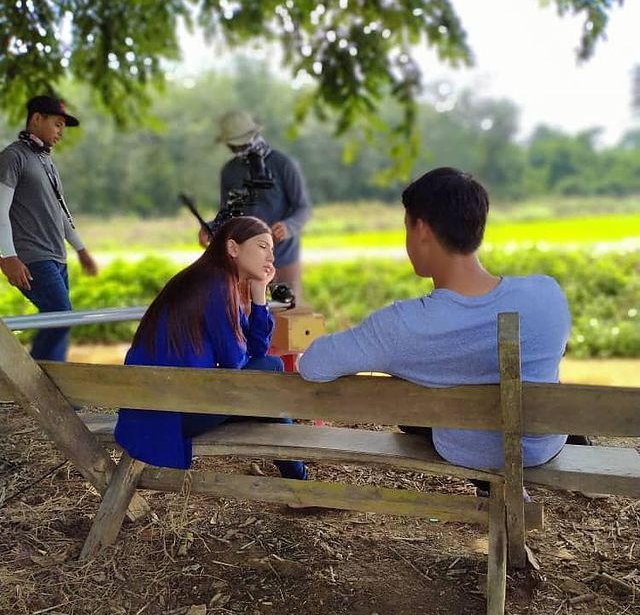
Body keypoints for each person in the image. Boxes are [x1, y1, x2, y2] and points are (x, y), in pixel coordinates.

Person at [298, 167, 572, 484]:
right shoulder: (548, 294)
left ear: (422, 230)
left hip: (472, 454)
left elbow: (314, 365)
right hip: (543, 447)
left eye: (406, 228)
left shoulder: (402, 326)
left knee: (417, 401)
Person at [115, 215, 308, 479]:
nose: (271, 258)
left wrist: (259, 292)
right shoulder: (216, 286)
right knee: (270, 370)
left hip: (153, 406)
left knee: (265, 387)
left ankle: (298, 480)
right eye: (263, 246)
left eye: (272, 250)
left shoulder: (206, 278)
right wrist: (258, 299)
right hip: (171, 415)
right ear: (233, 248)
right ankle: (300, 483)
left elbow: (250, 352)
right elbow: (238, 361)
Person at [0, 95, 98, 361]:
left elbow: (60, 212)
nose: (61, 132)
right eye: (57, 124)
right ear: (36, 119)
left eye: (63, 127)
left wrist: (81, 249)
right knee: (62, 315)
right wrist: (8, 256)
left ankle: (53, 391)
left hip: (57, 257)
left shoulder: (47, 162)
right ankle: (32, 381)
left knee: (55, 321)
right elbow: (0, 211)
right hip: (33, 257)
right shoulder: (12, 157)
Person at [199, 110, 311, 303]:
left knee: (288, 321)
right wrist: (212, 228)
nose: (238, 149)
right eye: (233, 146)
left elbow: (303, 208)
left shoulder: (283, 165)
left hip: (283, 259)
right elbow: (227, 215)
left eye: (241, 143)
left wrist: (288, 226)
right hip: (246, 263)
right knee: (249, 321)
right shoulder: (229, 171)